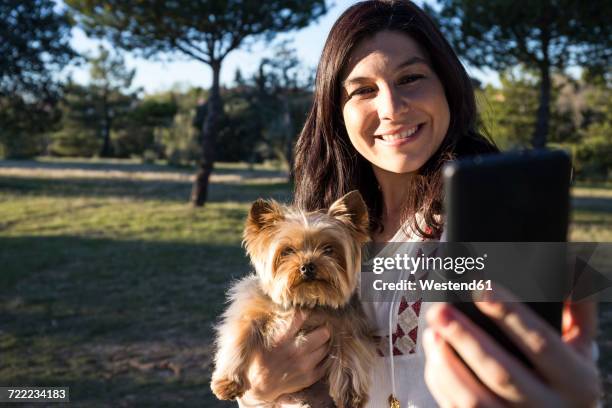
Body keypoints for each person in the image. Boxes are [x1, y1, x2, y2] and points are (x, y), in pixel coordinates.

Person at [237, 1, 601, 406]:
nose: (391, 108)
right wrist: (257, 391)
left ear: (447, 85)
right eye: (363, 90)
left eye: (411, 78)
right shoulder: (315, 234)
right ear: (335, 112)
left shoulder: (504, 224)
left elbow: (557, 366)